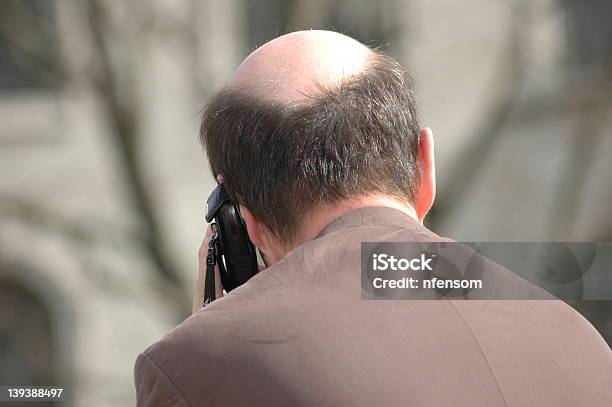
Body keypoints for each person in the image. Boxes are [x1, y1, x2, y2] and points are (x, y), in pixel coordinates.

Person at [134, 30, 612, 406]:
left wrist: (212, 338)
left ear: (242, 217)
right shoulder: (581, 342)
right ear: (425, 165)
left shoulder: (196, 367)